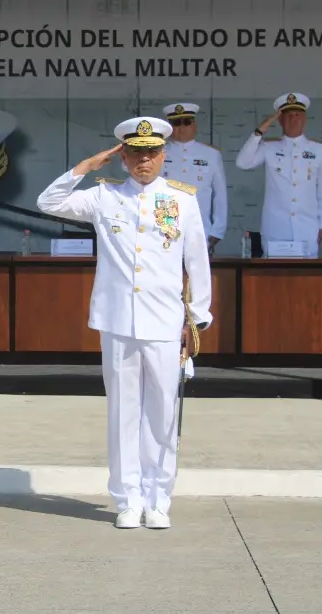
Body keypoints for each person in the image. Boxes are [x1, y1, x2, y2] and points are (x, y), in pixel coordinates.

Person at [36, 116, 212, 530]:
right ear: (123, 157)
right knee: (123, 413)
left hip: (166, 321)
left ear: (163, 156)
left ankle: (158, 497)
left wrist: (197, 320)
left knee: (162, 412)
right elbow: (48, 202)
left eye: (151, 154)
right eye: (135, 154)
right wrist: (84, 168)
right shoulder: (104, 197)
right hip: (117, 320)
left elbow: (197, 263)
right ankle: (127, 499)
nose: (143, 161)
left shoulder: (182, 201)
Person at [235, 92, 322, 258]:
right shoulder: (269, 147)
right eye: (288, 115)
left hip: (307, 228)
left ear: (304, 118)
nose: (294, 119)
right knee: (274, 278)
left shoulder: (318, 150)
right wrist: (258, 133)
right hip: (276, 228)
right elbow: (242, 163)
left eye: (297, 114)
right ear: (280, 120)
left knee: (308, 279)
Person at [161, 103, 228, 254]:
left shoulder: (211, 154)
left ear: (194, 124)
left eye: (187, 122)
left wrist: (217, 231)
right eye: (176, 123)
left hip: (201, 228)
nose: (182, 127)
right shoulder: (158, 152)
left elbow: (220, 195)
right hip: (164, 229)